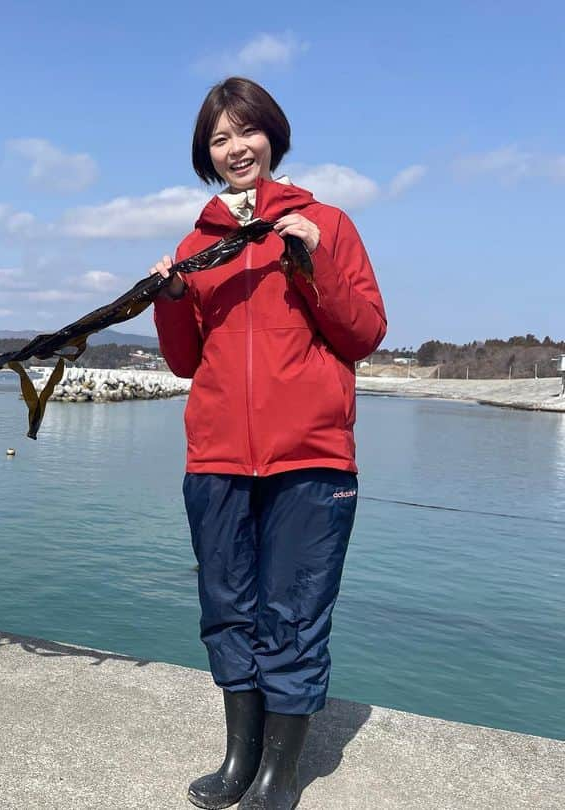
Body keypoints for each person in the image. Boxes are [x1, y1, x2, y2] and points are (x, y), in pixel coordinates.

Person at [150, 77, 386, 809]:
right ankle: (239, 759)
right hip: (217, 456)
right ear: (207, 155)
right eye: (219, 139)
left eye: (245, 132)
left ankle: (281, 772)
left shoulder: (328, 223)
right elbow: (187, 361)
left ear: (272, 137)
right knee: (226, 609)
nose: (234, 148)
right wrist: (169, 305)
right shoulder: (197, 244)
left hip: (310, 458)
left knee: (294, 612)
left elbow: (365, 333)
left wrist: (311, 261)